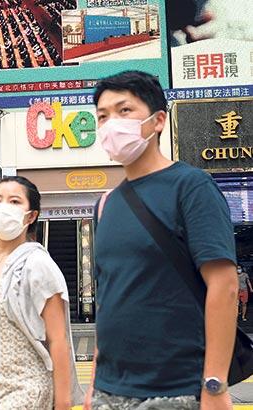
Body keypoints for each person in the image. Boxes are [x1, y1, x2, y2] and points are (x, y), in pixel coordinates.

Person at [86, 71, 238, 410]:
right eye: (103, 116)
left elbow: (224, 285)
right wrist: (95, 384)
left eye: (124, 111)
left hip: (176, 391)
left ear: (158, 121)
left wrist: (214, 385)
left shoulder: (191, 186)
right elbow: (110, 296)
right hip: (108, 392)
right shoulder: (106, 204)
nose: (111, 124)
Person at [0, 176, 82, 410]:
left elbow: (58, 340)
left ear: (31, 216)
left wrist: (63, 403)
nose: (3, 207)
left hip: (25, 392)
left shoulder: (37, 264)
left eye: (15, 201)